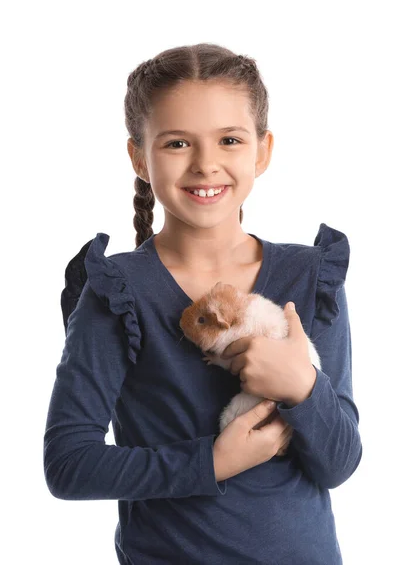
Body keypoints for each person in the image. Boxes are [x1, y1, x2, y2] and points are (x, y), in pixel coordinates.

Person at [43, 43, 362, 564]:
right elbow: (69, 465)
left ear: (262, 151)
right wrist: (211, 463)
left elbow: (339, 463)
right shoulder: (117, 291)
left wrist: (302, 387)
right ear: (138, 157)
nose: (205, 164)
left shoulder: (310, 277)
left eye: (230, 140)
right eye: (176, 144)